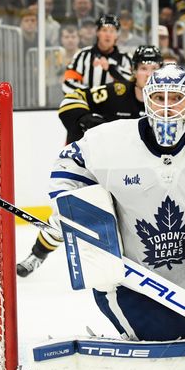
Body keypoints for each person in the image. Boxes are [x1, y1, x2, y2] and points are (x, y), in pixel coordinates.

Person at [28, 64, 185, 341]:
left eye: (176, 99)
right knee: (177, 349)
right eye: (158, 98)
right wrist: (75, 207)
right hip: (131, 283)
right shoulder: (111, 139)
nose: (167, 108)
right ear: (146, 99)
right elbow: (70, 164)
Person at [17, 46, 164, 276]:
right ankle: (36, 255)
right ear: (134, 71)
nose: (149, 74)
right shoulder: (115, 92)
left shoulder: (166, 102)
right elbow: (71, 99)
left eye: (155, 68)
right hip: (98, 168)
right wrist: (83, 118)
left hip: (135, 174)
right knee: (66, 215)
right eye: (144, 68)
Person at [61, 15, 133, 109]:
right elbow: (67, 84)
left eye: (112, 31)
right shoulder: (82, 55)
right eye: (104, 30)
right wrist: (92, 95)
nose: (108, 34)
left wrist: (111, 68)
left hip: (117, 111)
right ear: (97, 32)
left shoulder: (126, 58)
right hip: (88, 109)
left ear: (117, 35)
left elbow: (133, 85)